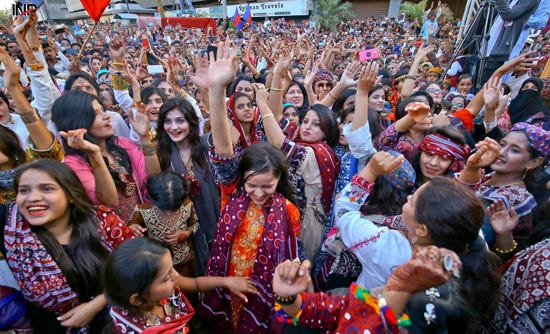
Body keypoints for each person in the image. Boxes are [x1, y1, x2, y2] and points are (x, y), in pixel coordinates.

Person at [200, 42, 301, 334]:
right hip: (231, 282)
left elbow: (294, 256)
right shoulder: (234, 193)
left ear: (279, 181)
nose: (258, 193)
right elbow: (222, 148)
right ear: (240, 179)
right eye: (251, 185)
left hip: (268, 291)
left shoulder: (289, 211)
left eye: (267, 187)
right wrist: (217, 91)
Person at [2, 159, 136, 332]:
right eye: (24, 190)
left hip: (119, 323)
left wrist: (97, 304)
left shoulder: (103, 222)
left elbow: (140, 267)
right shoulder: (12, 231)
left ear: (71, 195)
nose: (33, 197)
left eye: (46, 188)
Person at [272, 246, 462, 333]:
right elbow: (312, 309)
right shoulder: (364, 305)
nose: (377, 291)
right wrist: (286, 296)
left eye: (393, 290)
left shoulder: (368, 314)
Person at [104, 237, 259, 333]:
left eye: (172, 268)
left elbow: (196, 284)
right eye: (166, 278)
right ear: (137, 299)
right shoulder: (135, 329)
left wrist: (227, 281)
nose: (176, 275)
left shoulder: (160, 287)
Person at [51, 90, 161, 221]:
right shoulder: (72, 163)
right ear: (77, 121)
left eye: (103, 110)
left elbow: (153, 178)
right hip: (113, 234)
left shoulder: (121, 144)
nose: (106, 116)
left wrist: (144, 137)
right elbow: (110, 201)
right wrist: (95, 154)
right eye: (96, 114)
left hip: (143, 226)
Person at [155, 98, 220, 276]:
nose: (173, 127)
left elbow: (226, 132)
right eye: (168, 121)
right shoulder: (162, 156)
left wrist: (211, 93)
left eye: (180, 121)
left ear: (191, 123)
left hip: (217, 225)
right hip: (184, 235)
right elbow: (153, 184)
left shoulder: (206, 146)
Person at [129, 171, 198, 277]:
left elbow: (195, 224)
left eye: (175, 208)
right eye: (163, 208)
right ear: (151, 198)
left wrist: (185, 234)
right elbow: (133, 235)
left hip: (186, 263)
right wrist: (131, 231)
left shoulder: (188, 205)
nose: (169, 213)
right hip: (158, 269)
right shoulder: (141, 211)